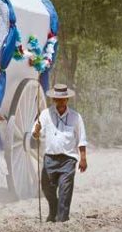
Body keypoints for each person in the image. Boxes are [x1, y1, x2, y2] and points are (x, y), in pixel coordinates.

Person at [33, 83, 88, 223]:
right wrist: (37, 130)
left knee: (65, 189)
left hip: (68, 159)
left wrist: (83, 158)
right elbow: (35, 135)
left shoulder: (76, 117)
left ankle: (62, 218)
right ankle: (54, 209)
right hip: (50, 158)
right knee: (46, 187)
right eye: (58, 99)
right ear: (54, 100)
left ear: (67, 100)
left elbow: (81, 139)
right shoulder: (45, 115)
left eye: (63, 99)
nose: (61, 102)